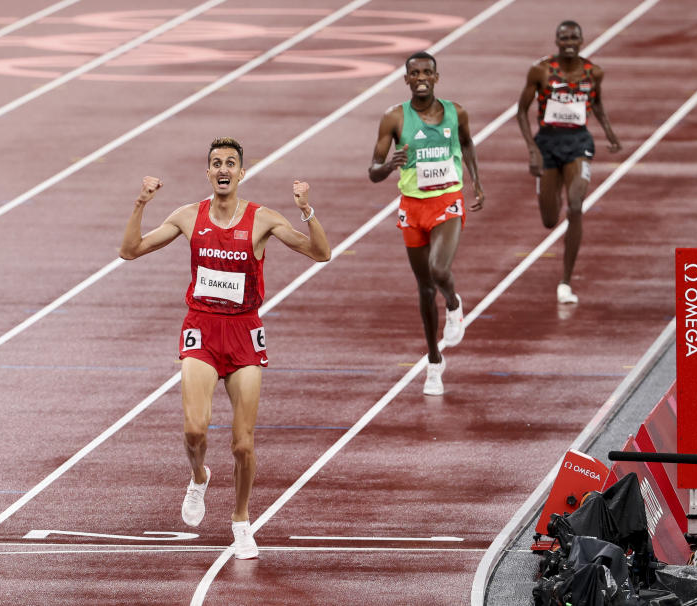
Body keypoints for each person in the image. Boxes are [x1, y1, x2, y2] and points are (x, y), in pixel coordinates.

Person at [119, 137, 331, 559]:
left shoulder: (261, 219)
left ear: (241, 172)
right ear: (208, 171)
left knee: (242, 443)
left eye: (230, 163)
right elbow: (130, 250)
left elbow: (320, 253)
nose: (223, 169)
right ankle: (199, 477)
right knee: (194, 429)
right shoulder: (187, 216)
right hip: (201, 327)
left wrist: (306, 210)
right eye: (216, 162)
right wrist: (140, 203)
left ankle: (240, 521)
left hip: (243, 332)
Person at [368, 51, 485, 396]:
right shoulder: (394, 119)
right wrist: (390, 166)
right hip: (412, 207)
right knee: (423, 288)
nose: (421, 77)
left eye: (427, 72)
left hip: (447, 199)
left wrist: (476, 180)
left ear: (436, 77)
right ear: (406, 79)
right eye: (414, 73)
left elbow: (466, 142)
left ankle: (454, 303)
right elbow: (373, 171)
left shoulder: (455, 112)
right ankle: (434, 361)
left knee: (439, 269)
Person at [516, 20, 621, 304]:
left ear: (583, 39)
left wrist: (610, 134)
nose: (570, 42)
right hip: (548, 144)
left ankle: (565, 282)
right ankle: (548, 187)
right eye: (564, 38)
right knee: (550, 220)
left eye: (575, 37)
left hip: (579, 144)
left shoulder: (593, 72)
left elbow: (596, 103)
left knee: (575, 204)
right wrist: (532, 150)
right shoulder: (541, 71)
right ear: (557, 41)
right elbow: (521, 111)